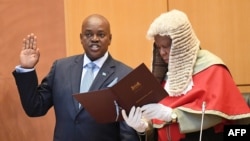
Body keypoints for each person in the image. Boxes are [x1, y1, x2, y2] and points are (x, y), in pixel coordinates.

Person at [121, 9, 250, 141]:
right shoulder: (163, 76)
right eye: (159, 47)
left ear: (181, 44)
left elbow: (218, 113)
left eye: (166, 46)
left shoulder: (213, 68)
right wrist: (143, 128)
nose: (162, 53)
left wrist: (172, 115)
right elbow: (158, 128)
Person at [12, 14, 141, 141]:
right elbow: (35, 107)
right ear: (81, 38)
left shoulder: (125, 75)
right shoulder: (60, 68)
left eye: (101, 35)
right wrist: (27, 69)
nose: (95, 39)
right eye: (88, 34)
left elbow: (127, 132)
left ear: (110, 39)